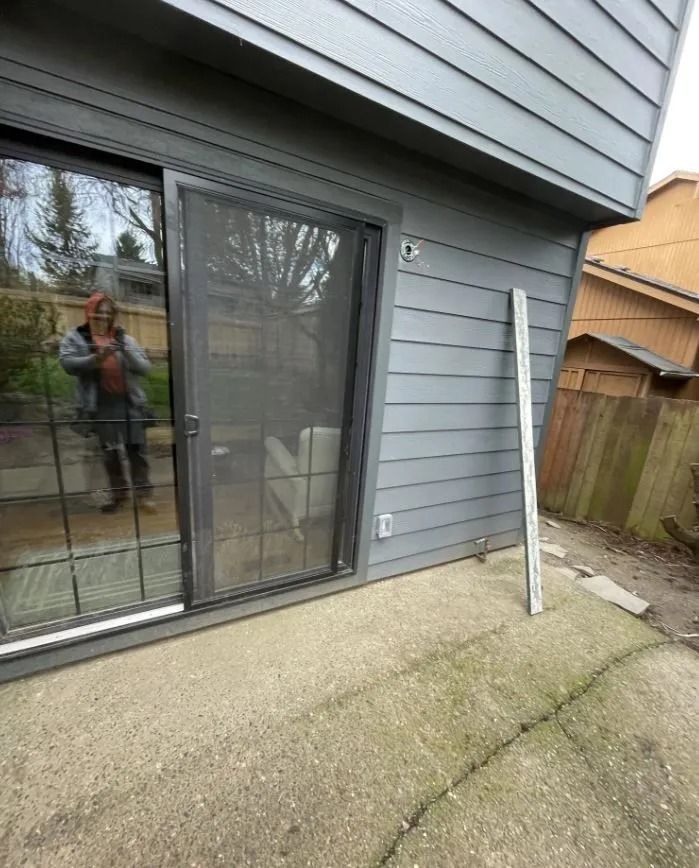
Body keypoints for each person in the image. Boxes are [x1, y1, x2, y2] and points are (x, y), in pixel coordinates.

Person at [59, 291, 156, 513]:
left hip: (129, 404)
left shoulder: (125, 338)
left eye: (107, 313)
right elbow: (67, 364)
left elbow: (145, 368)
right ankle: (119, 497)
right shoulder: (76, 337)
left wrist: (124, 350)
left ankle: (144, 497)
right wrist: (97, 359)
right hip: (102, 406)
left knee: (137, 451)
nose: (103, 317)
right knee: (110, 454)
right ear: (89, 312)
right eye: (98, 313)